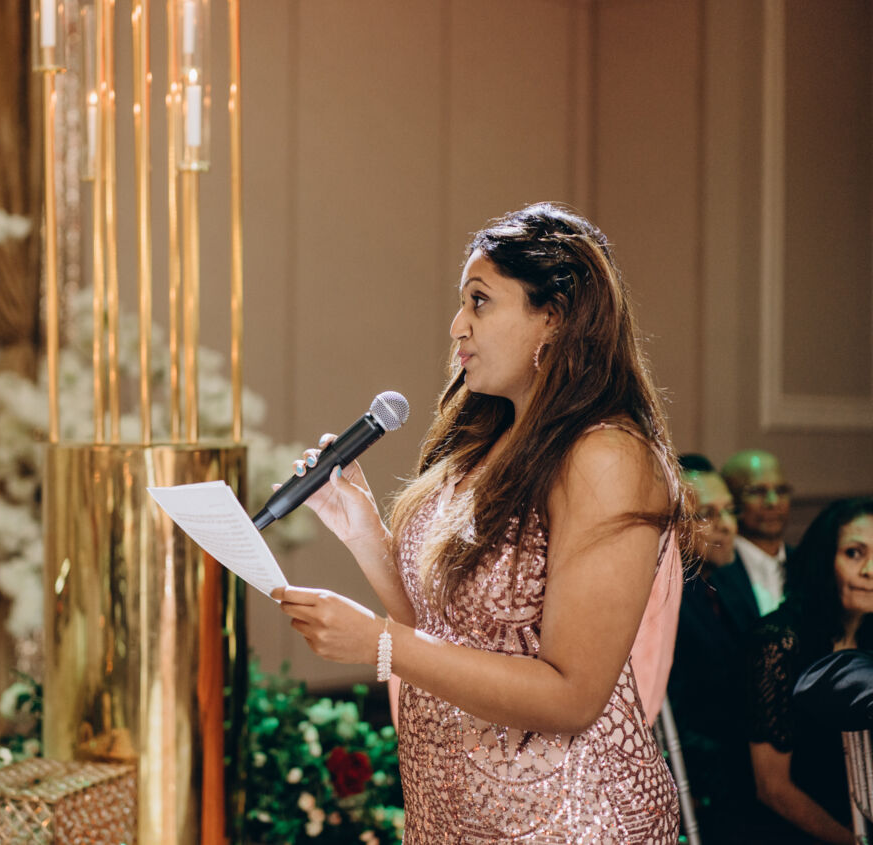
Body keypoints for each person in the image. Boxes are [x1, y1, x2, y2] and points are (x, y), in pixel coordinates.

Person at [271, 203, 682, 842]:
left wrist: (380, 645)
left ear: (555, 315)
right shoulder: (489, 441)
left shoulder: (607, 456)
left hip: (567, 819)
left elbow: (573, 696)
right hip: (452, 814)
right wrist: (362, 530)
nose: (457, 325)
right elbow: (446, 629)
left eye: (480, 302)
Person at [746, 496, 873, 843]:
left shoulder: (867, 631)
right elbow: (772, 788)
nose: (869, 570)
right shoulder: (779, 640)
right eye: (854, 553)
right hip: (798, 830)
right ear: (823, 559)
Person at [667, 454, 760, 840]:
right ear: (673, 525)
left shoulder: (730, 577)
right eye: (707, 514)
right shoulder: (666, 600)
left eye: (729, 510)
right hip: (706, 785)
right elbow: (674, 720)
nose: (727, 525)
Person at [723, 449, 794, 615]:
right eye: (757, 491)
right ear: (731, 500)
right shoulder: (715, 571)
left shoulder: (806, 563)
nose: (773, 502)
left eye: (781, 491)